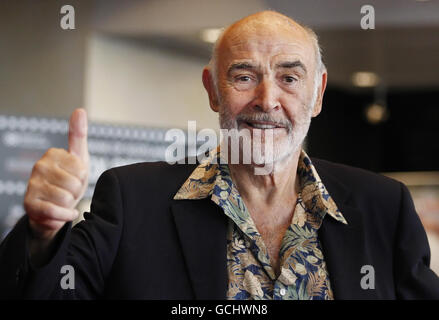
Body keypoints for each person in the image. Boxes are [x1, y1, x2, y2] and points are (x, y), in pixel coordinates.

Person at [1, 10, 438, 300]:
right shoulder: (133, 200)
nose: (267, 100)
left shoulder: (382, 206)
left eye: (289, 78)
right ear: (213, 90)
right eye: (244, 76)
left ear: (318, 93)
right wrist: (42, 233)